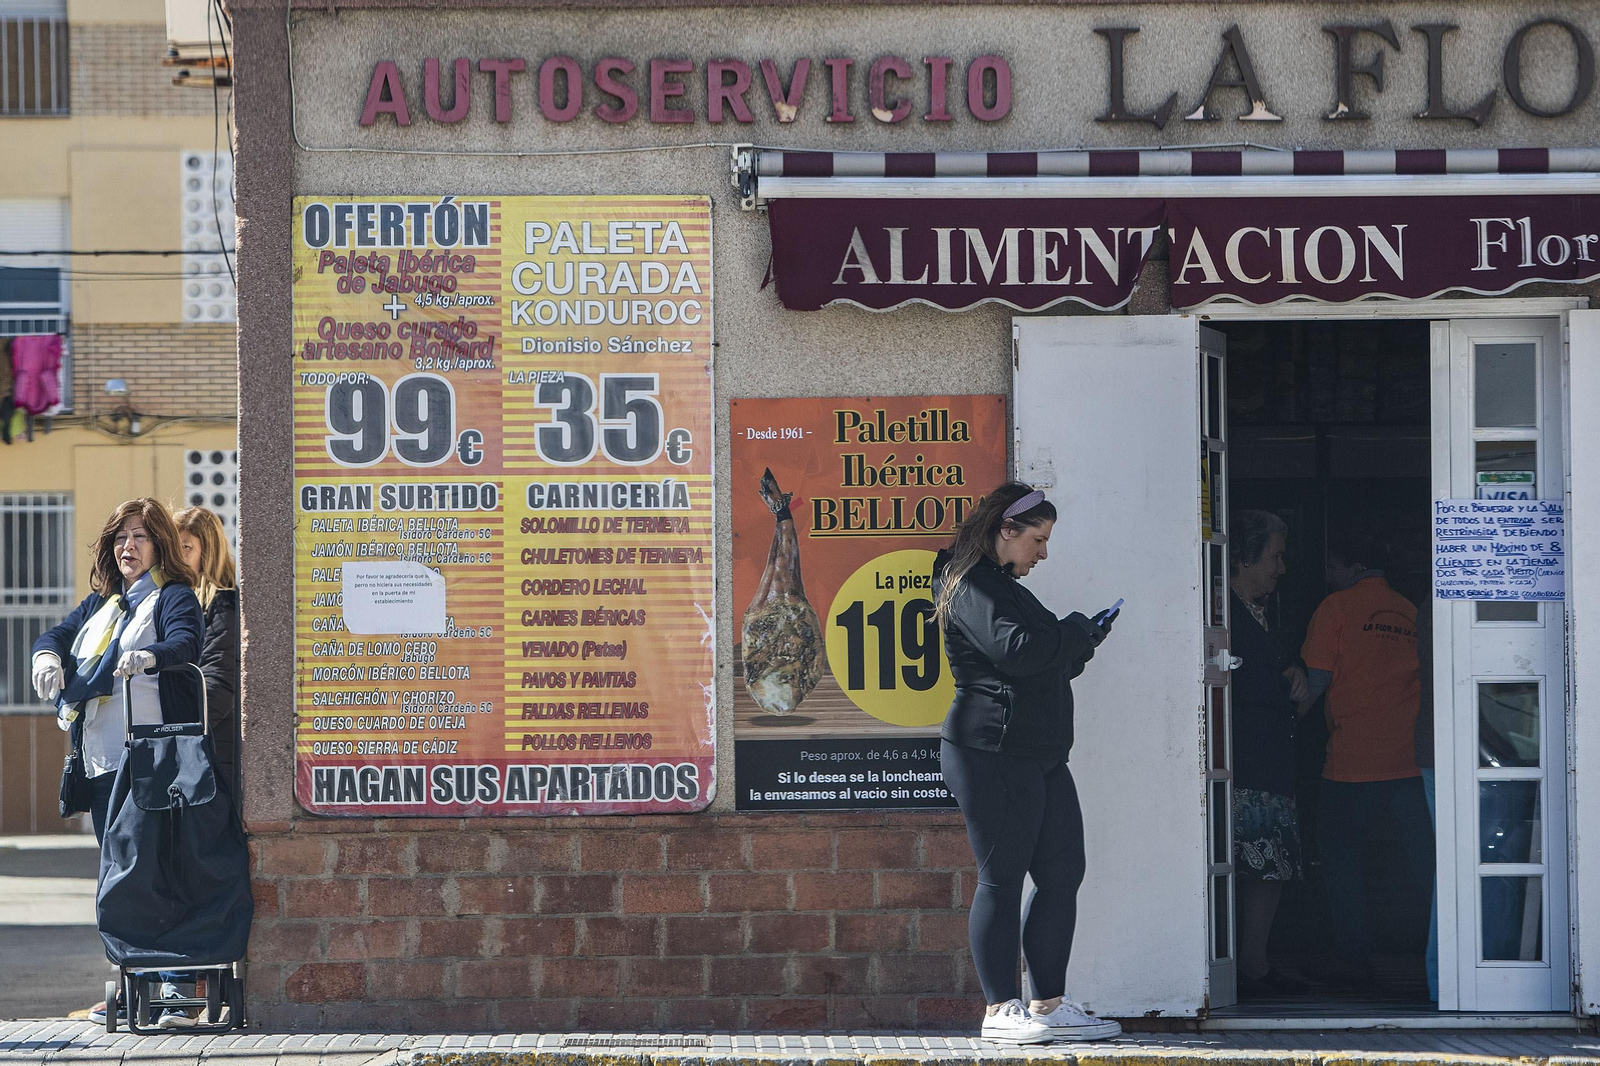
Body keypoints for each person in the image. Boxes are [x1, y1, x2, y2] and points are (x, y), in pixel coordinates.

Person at [932, 483, 1121, 1045]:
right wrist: (1068, 634)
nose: (1043, 553)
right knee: (1002, 877)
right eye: (1037, 540)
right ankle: (999, 1009)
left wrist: (1079, 640)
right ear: (1005, 531)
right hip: (991, 750)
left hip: (1039, 753)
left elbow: (1042, 662)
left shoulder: (1006, 587)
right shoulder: (965, 581)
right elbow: (1016, 653)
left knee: (1064, 874)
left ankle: (1048, 1005)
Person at [30, 497, 203, 1024]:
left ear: (160, 546)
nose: (128, 546)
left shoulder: (172, 597)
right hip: (102, 762)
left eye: (140, 537)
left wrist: (152, 656)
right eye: (120, 537)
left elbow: (186, 643)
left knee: (152, 869)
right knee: (116, 876)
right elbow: (57, 634)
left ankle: (175, 985)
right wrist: (47, 654)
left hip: (153, 760)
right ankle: (136, 978)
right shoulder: (103, 604)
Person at [1299, 529, 1433, 987]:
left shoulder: (1336, 607)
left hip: (1352, 759)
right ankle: (1447, 949)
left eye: (1333, 568)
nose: (1330, 577)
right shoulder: (1411, 610)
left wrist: (1284, 723)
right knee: (1427, 863)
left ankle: (1353, 956)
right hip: (1411, 757)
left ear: (1353, 568)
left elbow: (1314, 682)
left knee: (1338, 855)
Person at [1227, 510, 1311, 997]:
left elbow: (1273, 667)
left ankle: (1253, 963)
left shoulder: (1258, 612)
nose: (1282, 568)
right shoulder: (1220, 612)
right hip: (1243, 761)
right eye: (1275, 556)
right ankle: (1248, 968)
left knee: (1269, 864)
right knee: (1256, 866)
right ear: (1243, 556)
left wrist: (1294, 670)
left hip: (1267, 760)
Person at [174, 506, 239, 787]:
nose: (176, 556)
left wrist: (174, 735)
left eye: (186, 547)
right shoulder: (170, 600)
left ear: (208, 553)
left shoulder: (222, 605)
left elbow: (217, 686)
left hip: (206, 756)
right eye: (172, 547)